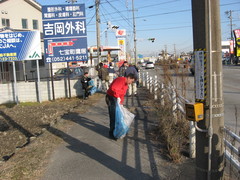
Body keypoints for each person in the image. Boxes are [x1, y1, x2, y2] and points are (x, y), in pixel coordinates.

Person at [105, 73, 137, 140]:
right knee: (113, 115)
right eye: (131, 81)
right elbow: (114, 88)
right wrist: (117, 97)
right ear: (129, 78)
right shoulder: (120, 80)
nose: (131, 83)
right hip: (111, 97)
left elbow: (122, 94)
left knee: (118, 116)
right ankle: (112, 133)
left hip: (116, 99)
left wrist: (121, 102)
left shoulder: (126, 85)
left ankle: (116, 131)